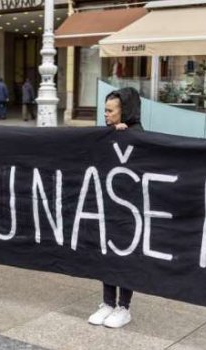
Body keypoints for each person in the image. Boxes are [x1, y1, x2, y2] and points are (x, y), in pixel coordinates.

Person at [88, 87, 143, 328]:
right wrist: (113, 135)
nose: (106, 115)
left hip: (130, 211)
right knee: (107, 254)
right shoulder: (107, 134)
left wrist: (126, 137)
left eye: (110, 111)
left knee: (124, 257)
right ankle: (108, 302)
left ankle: (124, 307)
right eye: (105, 111)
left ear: (125, 112)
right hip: (108, 206)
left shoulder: (139, 135)